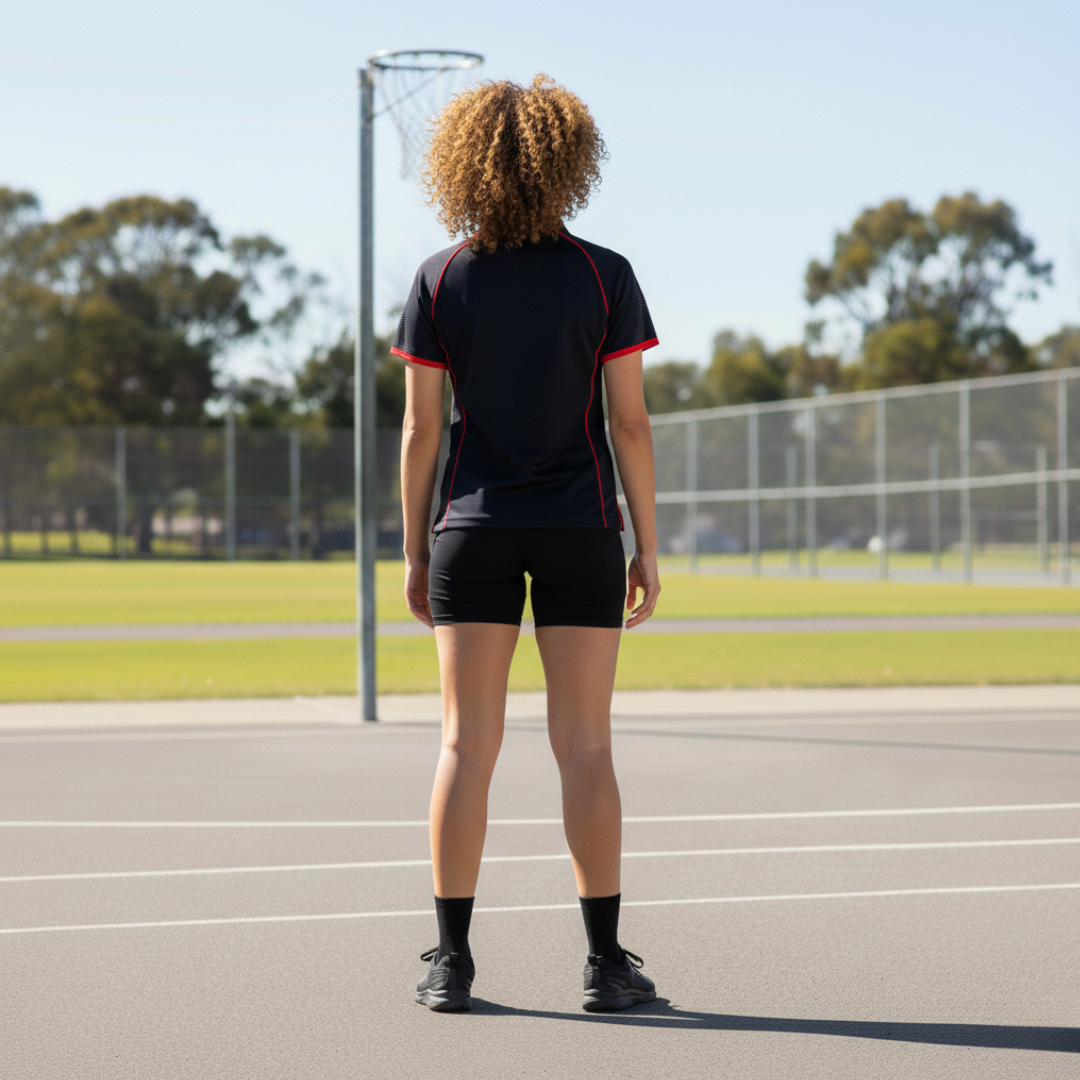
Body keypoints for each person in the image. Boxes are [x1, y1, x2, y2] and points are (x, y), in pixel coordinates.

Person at [395, 74, 661, 1013]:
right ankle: (604, 965)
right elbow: (629, 425)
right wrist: (648, 547)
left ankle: (450, 965)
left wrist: (417, 550)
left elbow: (423, 431)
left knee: (466, 746)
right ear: (568, 160)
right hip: (583, 527)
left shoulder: (440, 277)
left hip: (471, 531)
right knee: (586, 746)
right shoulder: (604, 274)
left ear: (462, 161)